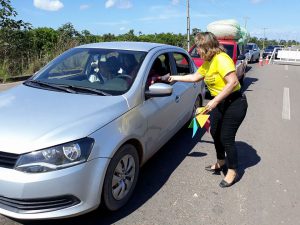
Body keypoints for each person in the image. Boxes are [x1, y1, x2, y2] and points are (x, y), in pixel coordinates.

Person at [168, 32, 248, 188]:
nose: (197, 51)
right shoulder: (208, 62)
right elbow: (194, 77)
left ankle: (232, 171)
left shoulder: (221, 59)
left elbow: (232, 82)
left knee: (226, 137)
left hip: (235, 103)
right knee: (214, 132)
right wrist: (173, 77)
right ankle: (221, 161)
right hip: (220, 103)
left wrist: (215, 100)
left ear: (206, 47)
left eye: (198, 47)